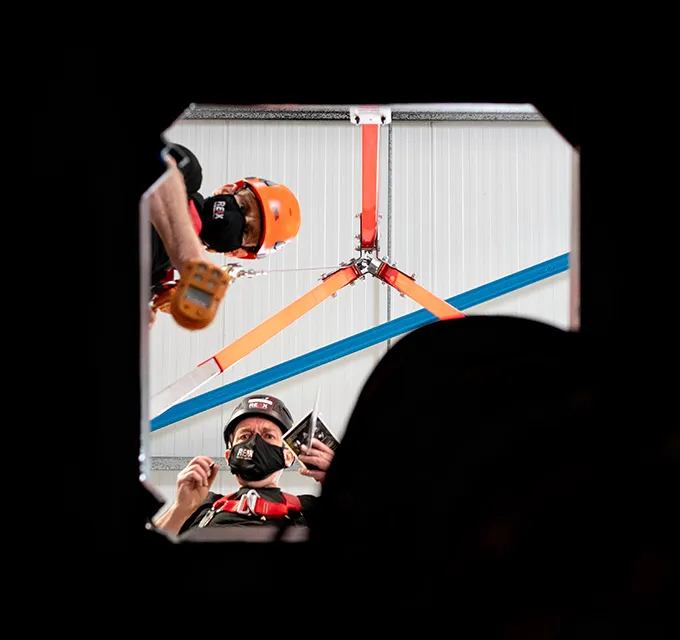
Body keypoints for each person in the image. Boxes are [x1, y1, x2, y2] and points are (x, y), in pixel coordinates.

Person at [147, 142, 302, 328]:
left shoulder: (157, 278)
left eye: (247, 231)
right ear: (227, 189)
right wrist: (189, 256)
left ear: (236, 252)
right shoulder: (188, 174)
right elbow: (162, 170)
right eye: (243, 207)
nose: (237, 220)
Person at [152, 393, 335, 537]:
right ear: (228, 456)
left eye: (268, 436)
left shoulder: (310, 510)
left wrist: (341, 483)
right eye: (245, 436)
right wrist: (180, 509)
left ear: (287, 456)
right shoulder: (202, 505)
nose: (254, 443)